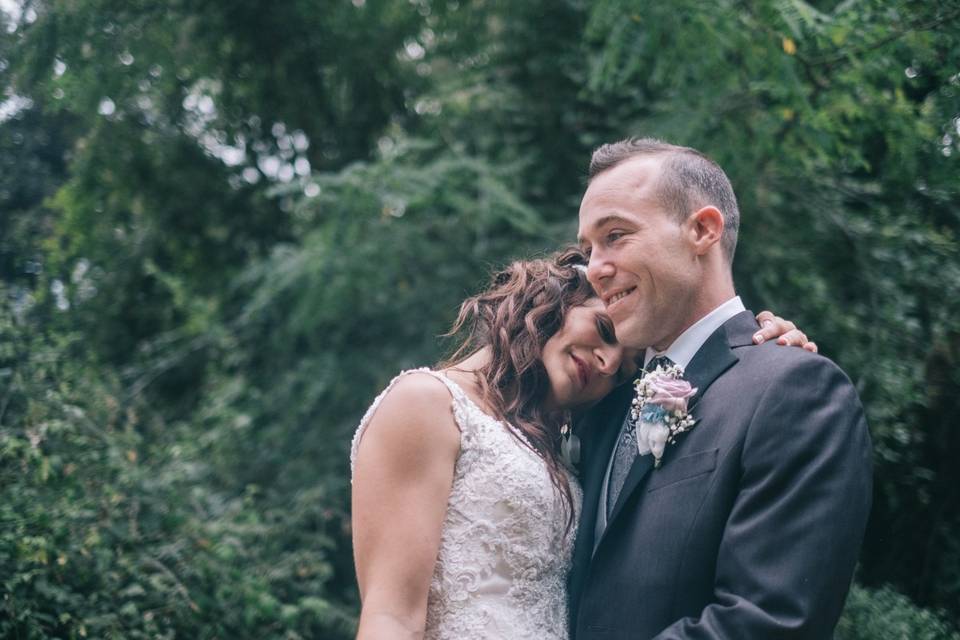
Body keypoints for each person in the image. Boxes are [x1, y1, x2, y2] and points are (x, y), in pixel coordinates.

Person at [350, 249, 814, 640]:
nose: (610, 364)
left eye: (627, 369)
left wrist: (762, 353)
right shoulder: (425, 403)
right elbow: (391, 617)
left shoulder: (572, 446)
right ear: (555, 299)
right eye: (605, 331)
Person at [571, 138, 873, 639]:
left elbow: (768, 621)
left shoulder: (794, 389)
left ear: (702, 230)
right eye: (588, 249)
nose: (595, 268)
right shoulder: (600, 405)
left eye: (616, 236)